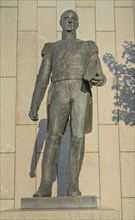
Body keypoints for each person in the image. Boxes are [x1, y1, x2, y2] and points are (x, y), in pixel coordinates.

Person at [29, 10, 106, 197]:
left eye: (73, 19)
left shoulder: (88, 46)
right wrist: (34, 104)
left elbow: (99, 75)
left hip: (80, 90)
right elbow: (42, 78)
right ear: (60, 22)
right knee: (54, 136)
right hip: (59, 89)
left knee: (78, 137)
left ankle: (73, 184)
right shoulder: (52, 48)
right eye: (66, 19)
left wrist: (99, 79)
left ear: (77, 23)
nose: (70, 21)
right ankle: (45, 184)